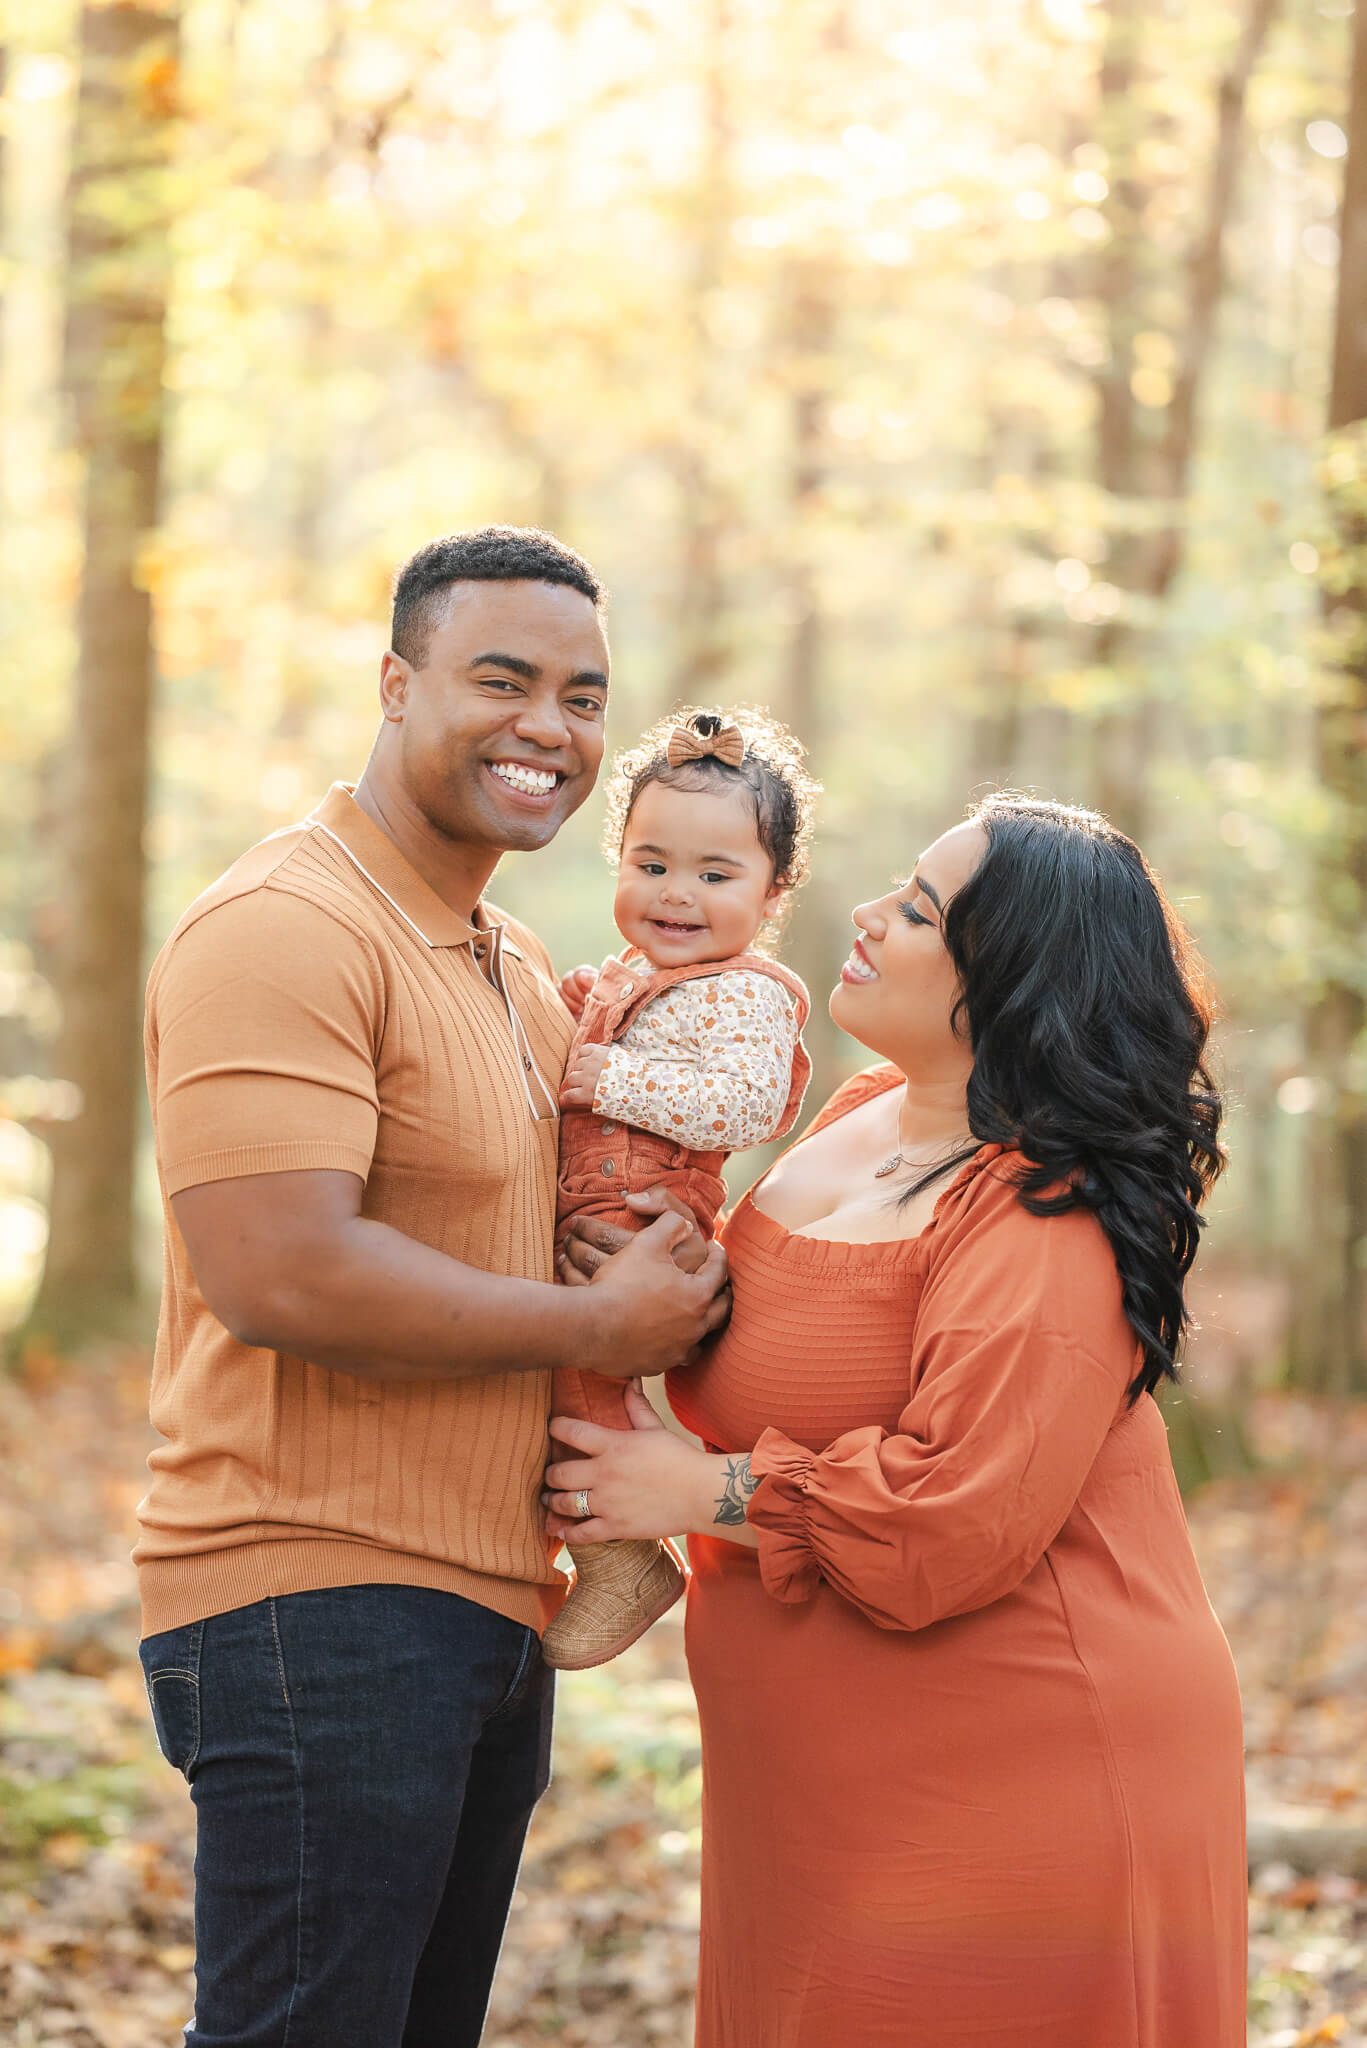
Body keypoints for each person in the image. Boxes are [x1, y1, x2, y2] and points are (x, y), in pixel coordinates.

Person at [134, 525, 729, 2048]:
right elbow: (276, 1269)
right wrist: (599, 1324)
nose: (550, 728)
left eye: (583, 697)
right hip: (311, 1596)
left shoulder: (513, 965)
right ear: (396, 685)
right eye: (503, 680)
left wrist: (666, 1281)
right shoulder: (287, 925)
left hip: (475, 1606)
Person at [545, 794, 1247, 2048]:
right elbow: (803, 1354)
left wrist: (693, 1491)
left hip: (1014, 1776)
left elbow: (958, 1510)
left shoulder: (1044, 1210)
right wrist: (663, 1280)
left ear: (1007, 980)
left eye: (918, 909)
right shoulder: (864, 1110)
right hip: (815, 1783)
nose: (868, 914)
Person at [542, 706, 817, 1671]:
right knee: (550, 1366)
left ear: (772, 891)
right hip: (591, 1198)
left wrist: (610, 1076)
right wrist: (579, 1012)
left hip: (645, 1209)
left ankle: (620, 1552)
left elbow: (745, 1108)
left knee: (578, 1373)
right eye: (651, 865)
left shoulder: (746, 991)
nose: (676, 895)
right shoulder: (640, 974)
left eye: (715, 874)